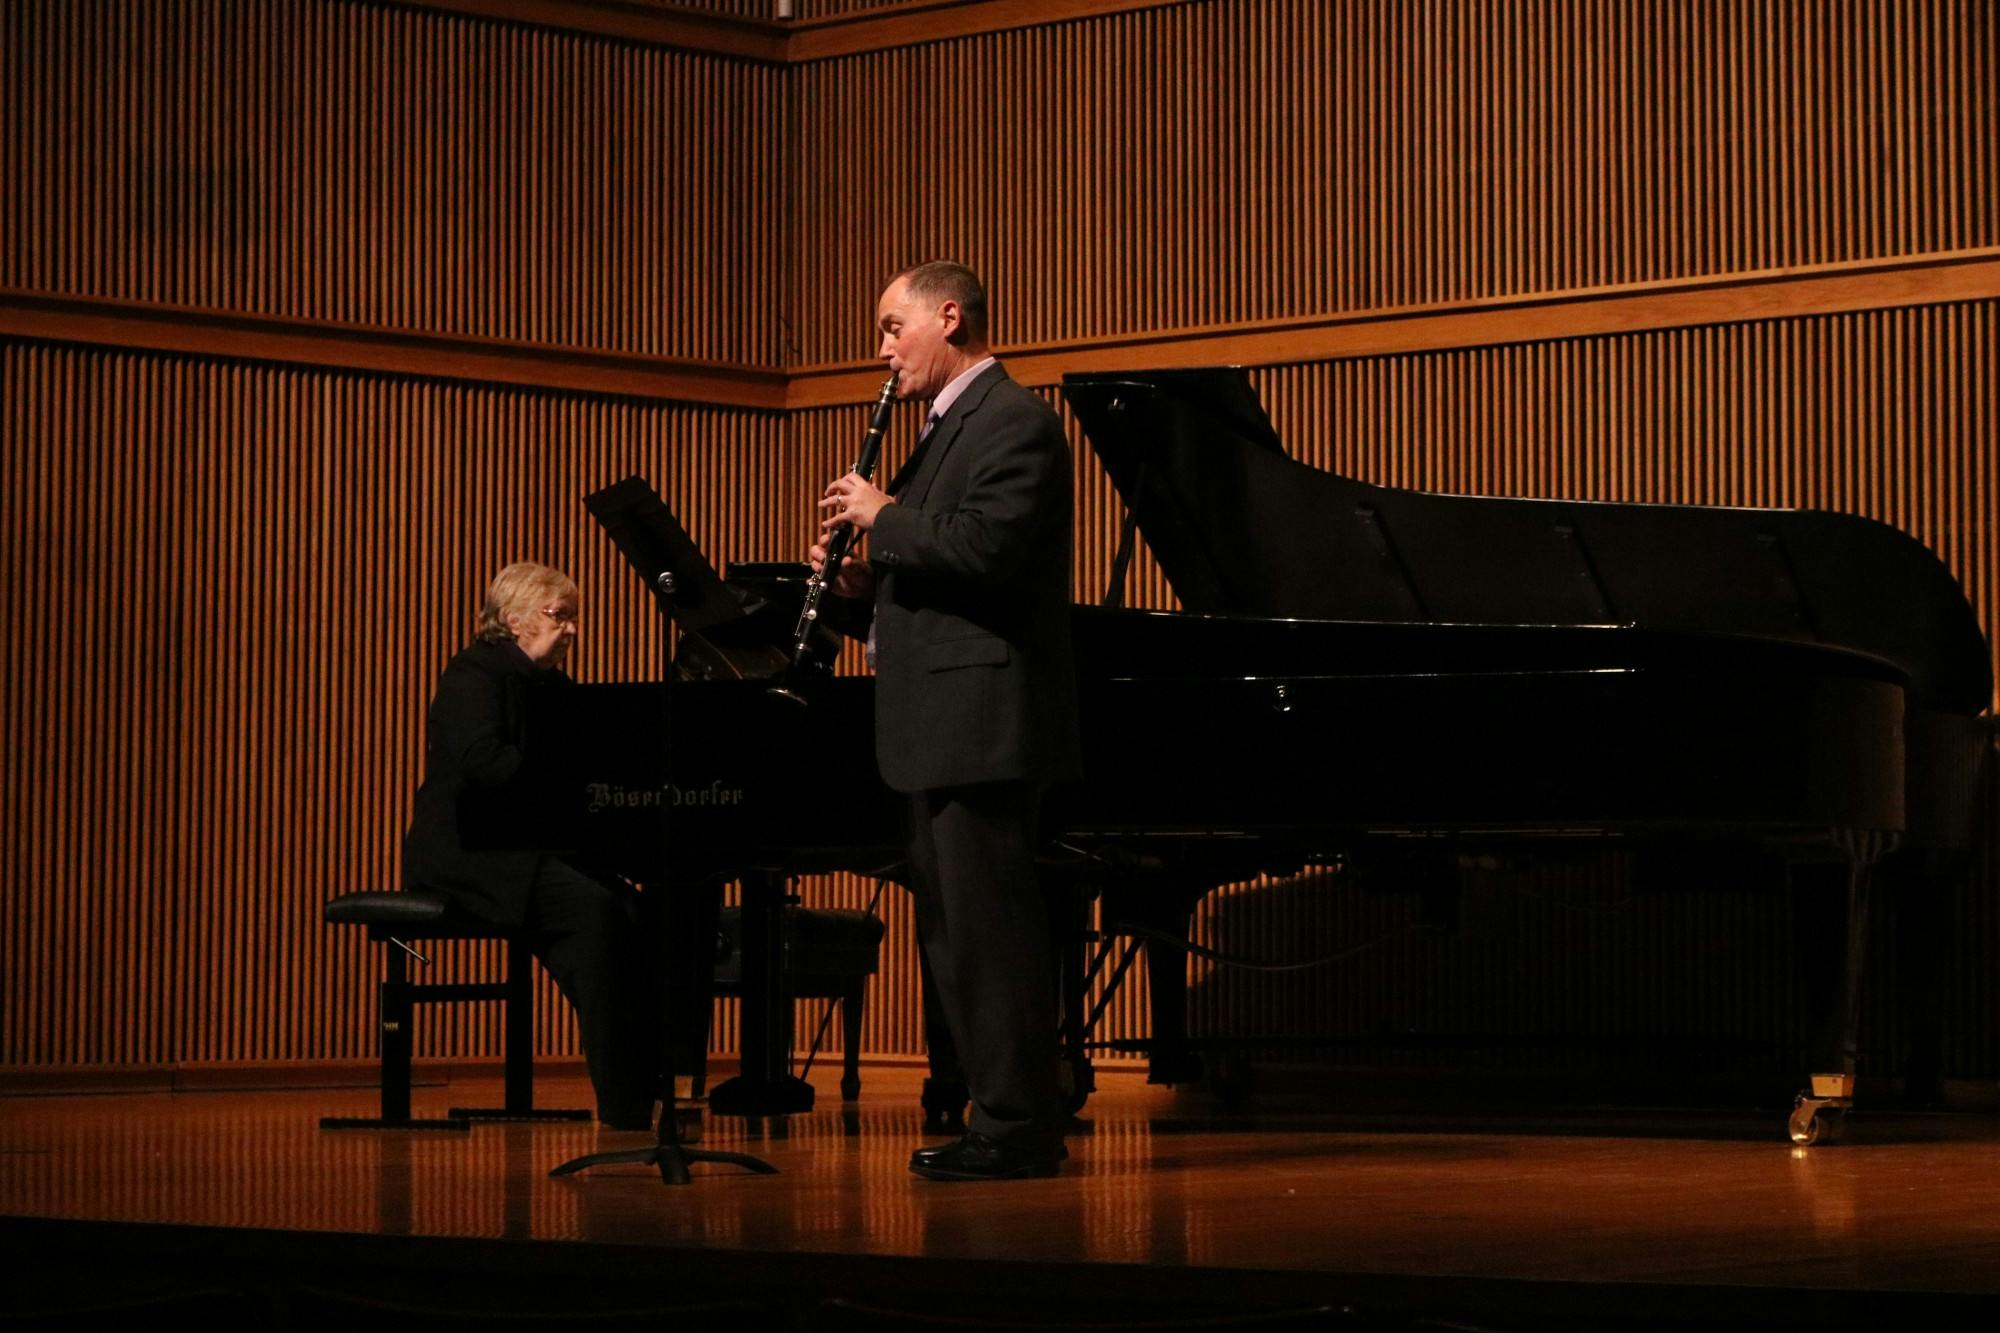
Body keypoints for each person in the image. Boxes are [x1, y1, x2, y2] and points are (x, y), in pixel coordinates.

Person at [812, 261, 1082, 1180]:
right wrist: (858, 580)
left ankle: (1017, 1127)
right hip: (935, 723)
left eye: (893, 327)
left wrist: (884, 515)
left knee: (992, 936)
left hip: (982, 722)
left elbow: (988, 548)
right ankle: (991, 1116)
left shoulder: (1015, 421)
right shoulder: (935, 433)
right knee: (955, 937)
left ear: (949, 316)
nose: (883, 349)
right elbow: (934, 574)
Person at [402, 561, 657, 1130]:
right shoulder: (474, 672)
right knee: (593, 912)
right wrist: (566, 783)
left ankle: (650, 1092)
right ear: (513, 619)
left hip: (521, 848)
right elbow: (481, 763)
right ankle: (627, 1108)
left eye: (574, 619)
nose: (572, 631)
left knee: (634, 908)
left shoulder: (553, 688)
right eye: (558, 616)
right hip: (467, 853)